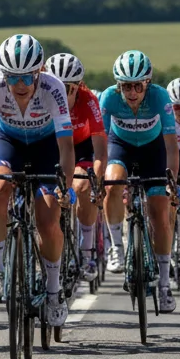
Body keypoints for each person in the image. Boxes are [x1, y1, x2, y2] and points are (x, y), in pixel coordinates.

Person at [0, 34, 75, 327]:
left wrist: (67, 187)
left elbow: (66, 146)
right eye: (12, 77)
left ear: (39, 71)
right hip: (8, 142)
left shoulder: (54, 88)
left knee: (48, 218)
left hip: (46, 146)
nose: (20, 85)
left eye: (27, 76)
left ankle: (53, 291)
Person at [99, 50, 179, 312]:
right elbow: (99, 143)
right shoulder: (109, 98)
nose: (132, 92)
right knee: (113, 183)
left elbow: (170, 145)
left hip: (153, 150)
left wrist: (172, 182)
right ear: (117, 85)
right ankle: (117, 247)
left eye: (138, 85)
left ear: (148, 83)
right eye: (125, 86)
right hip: (120, 145)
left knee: (160, 214)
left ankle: (165, 285)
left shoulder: (160, 97)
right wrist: (98, 177)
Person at [44, 52, 107, 279]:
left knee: (83, 186)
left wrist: (97, 183)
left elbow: (100, 150)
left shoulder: (89, 100)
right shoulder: (40, 96)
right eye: (57, 86)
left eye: (69, 88)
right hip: (52, 146)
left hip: (81, 147)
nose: (63, 92)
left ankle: (87, 251)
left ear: (79, 86)